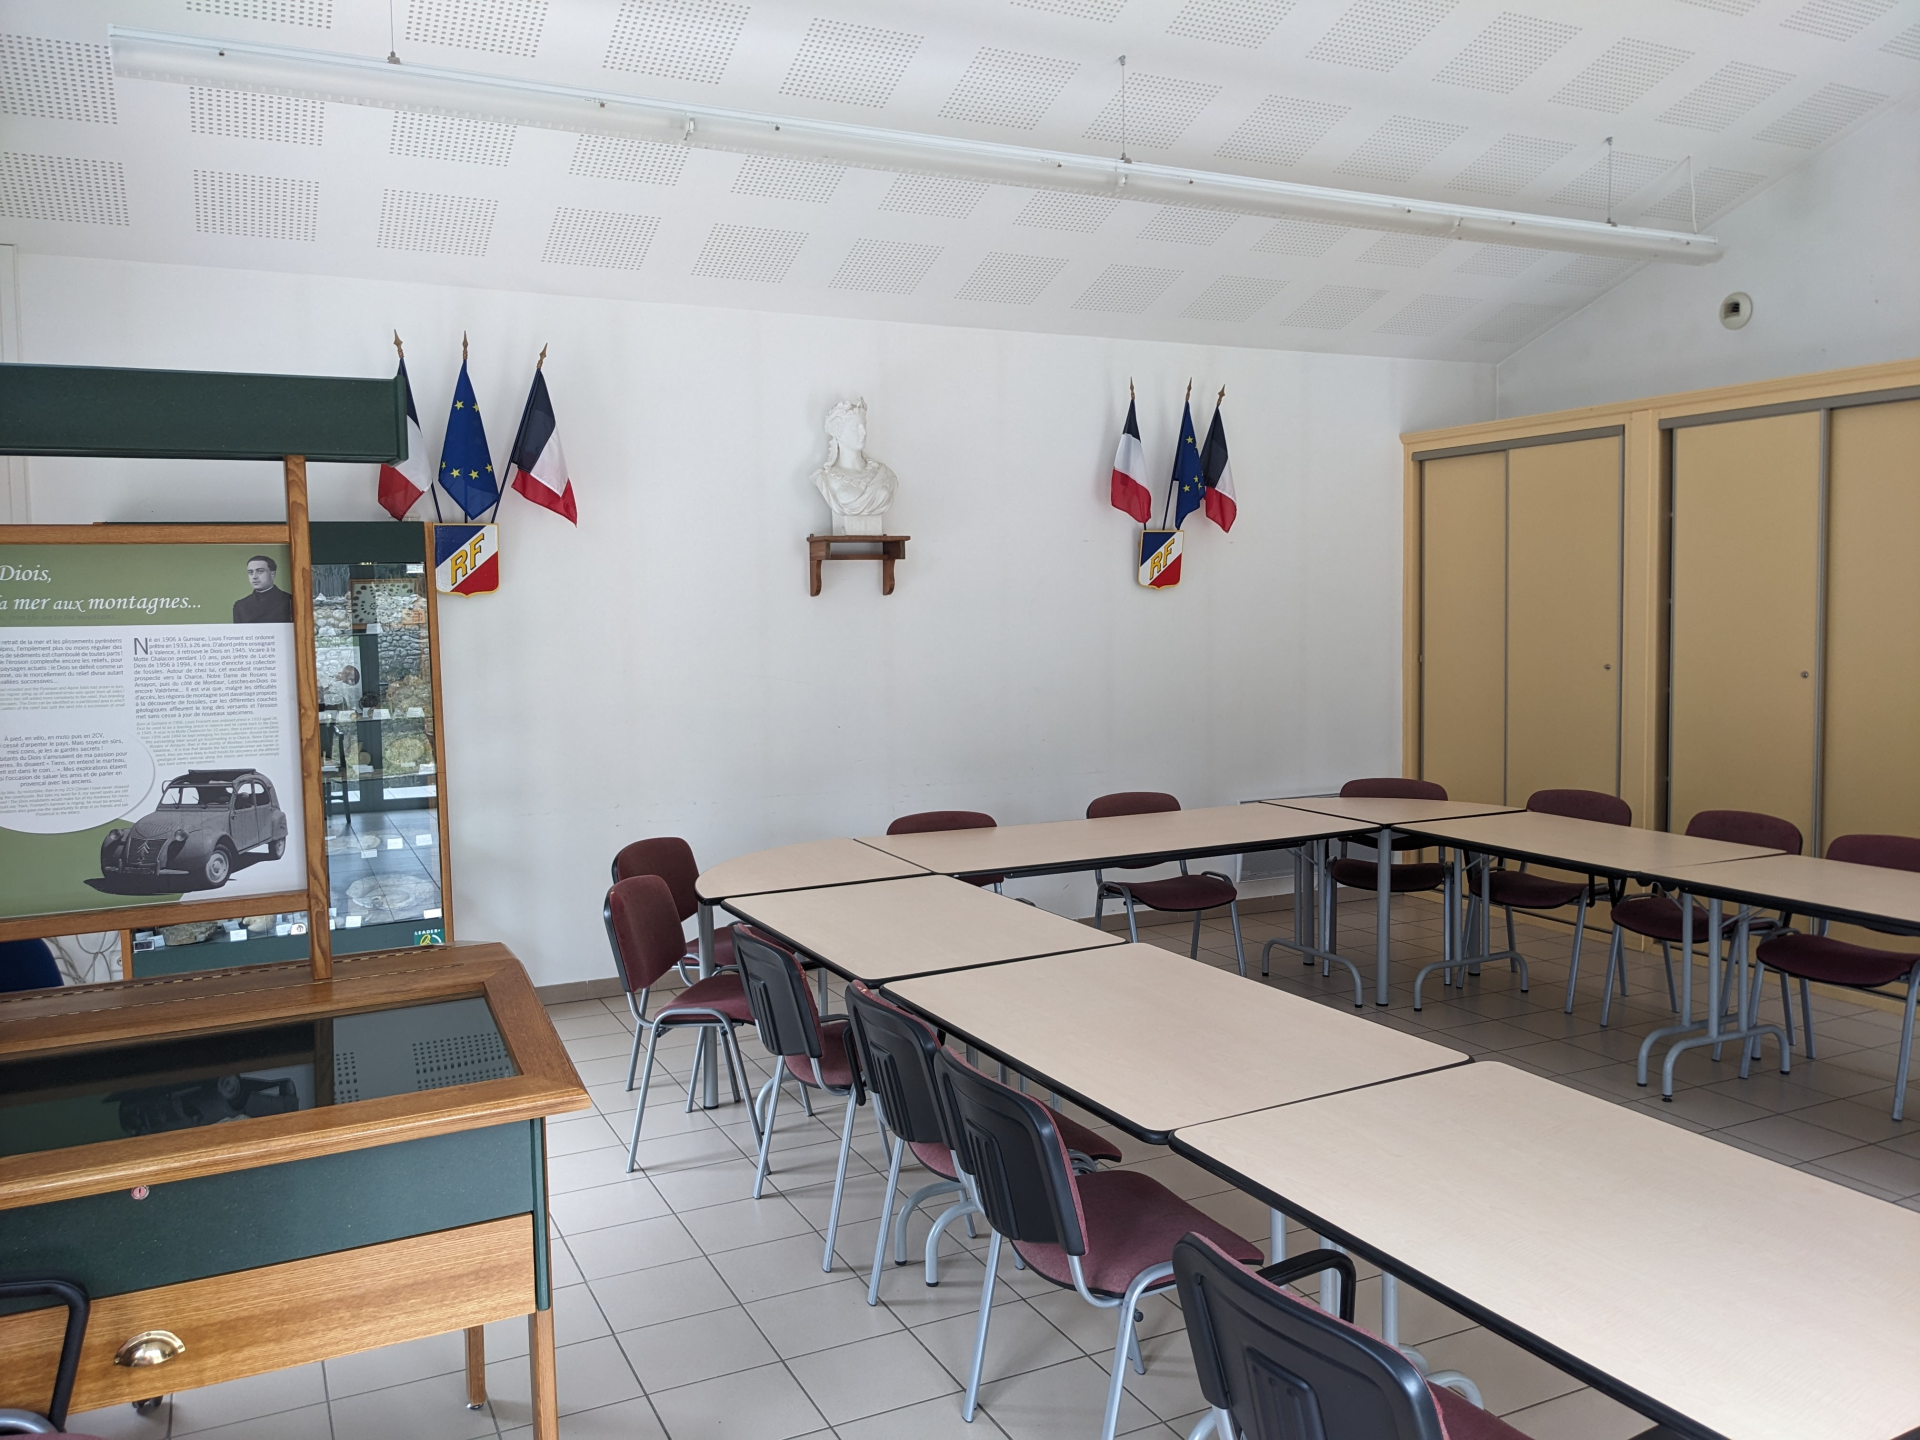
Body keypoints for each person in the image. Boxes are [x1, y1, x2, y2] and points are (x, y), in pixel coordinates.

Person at [233, 554, 294, 623]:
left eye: (260, 571)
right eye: (250, 572)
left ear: (272, 574)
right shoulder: (241, 605)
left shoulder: (290, 601)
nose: (254, 577)